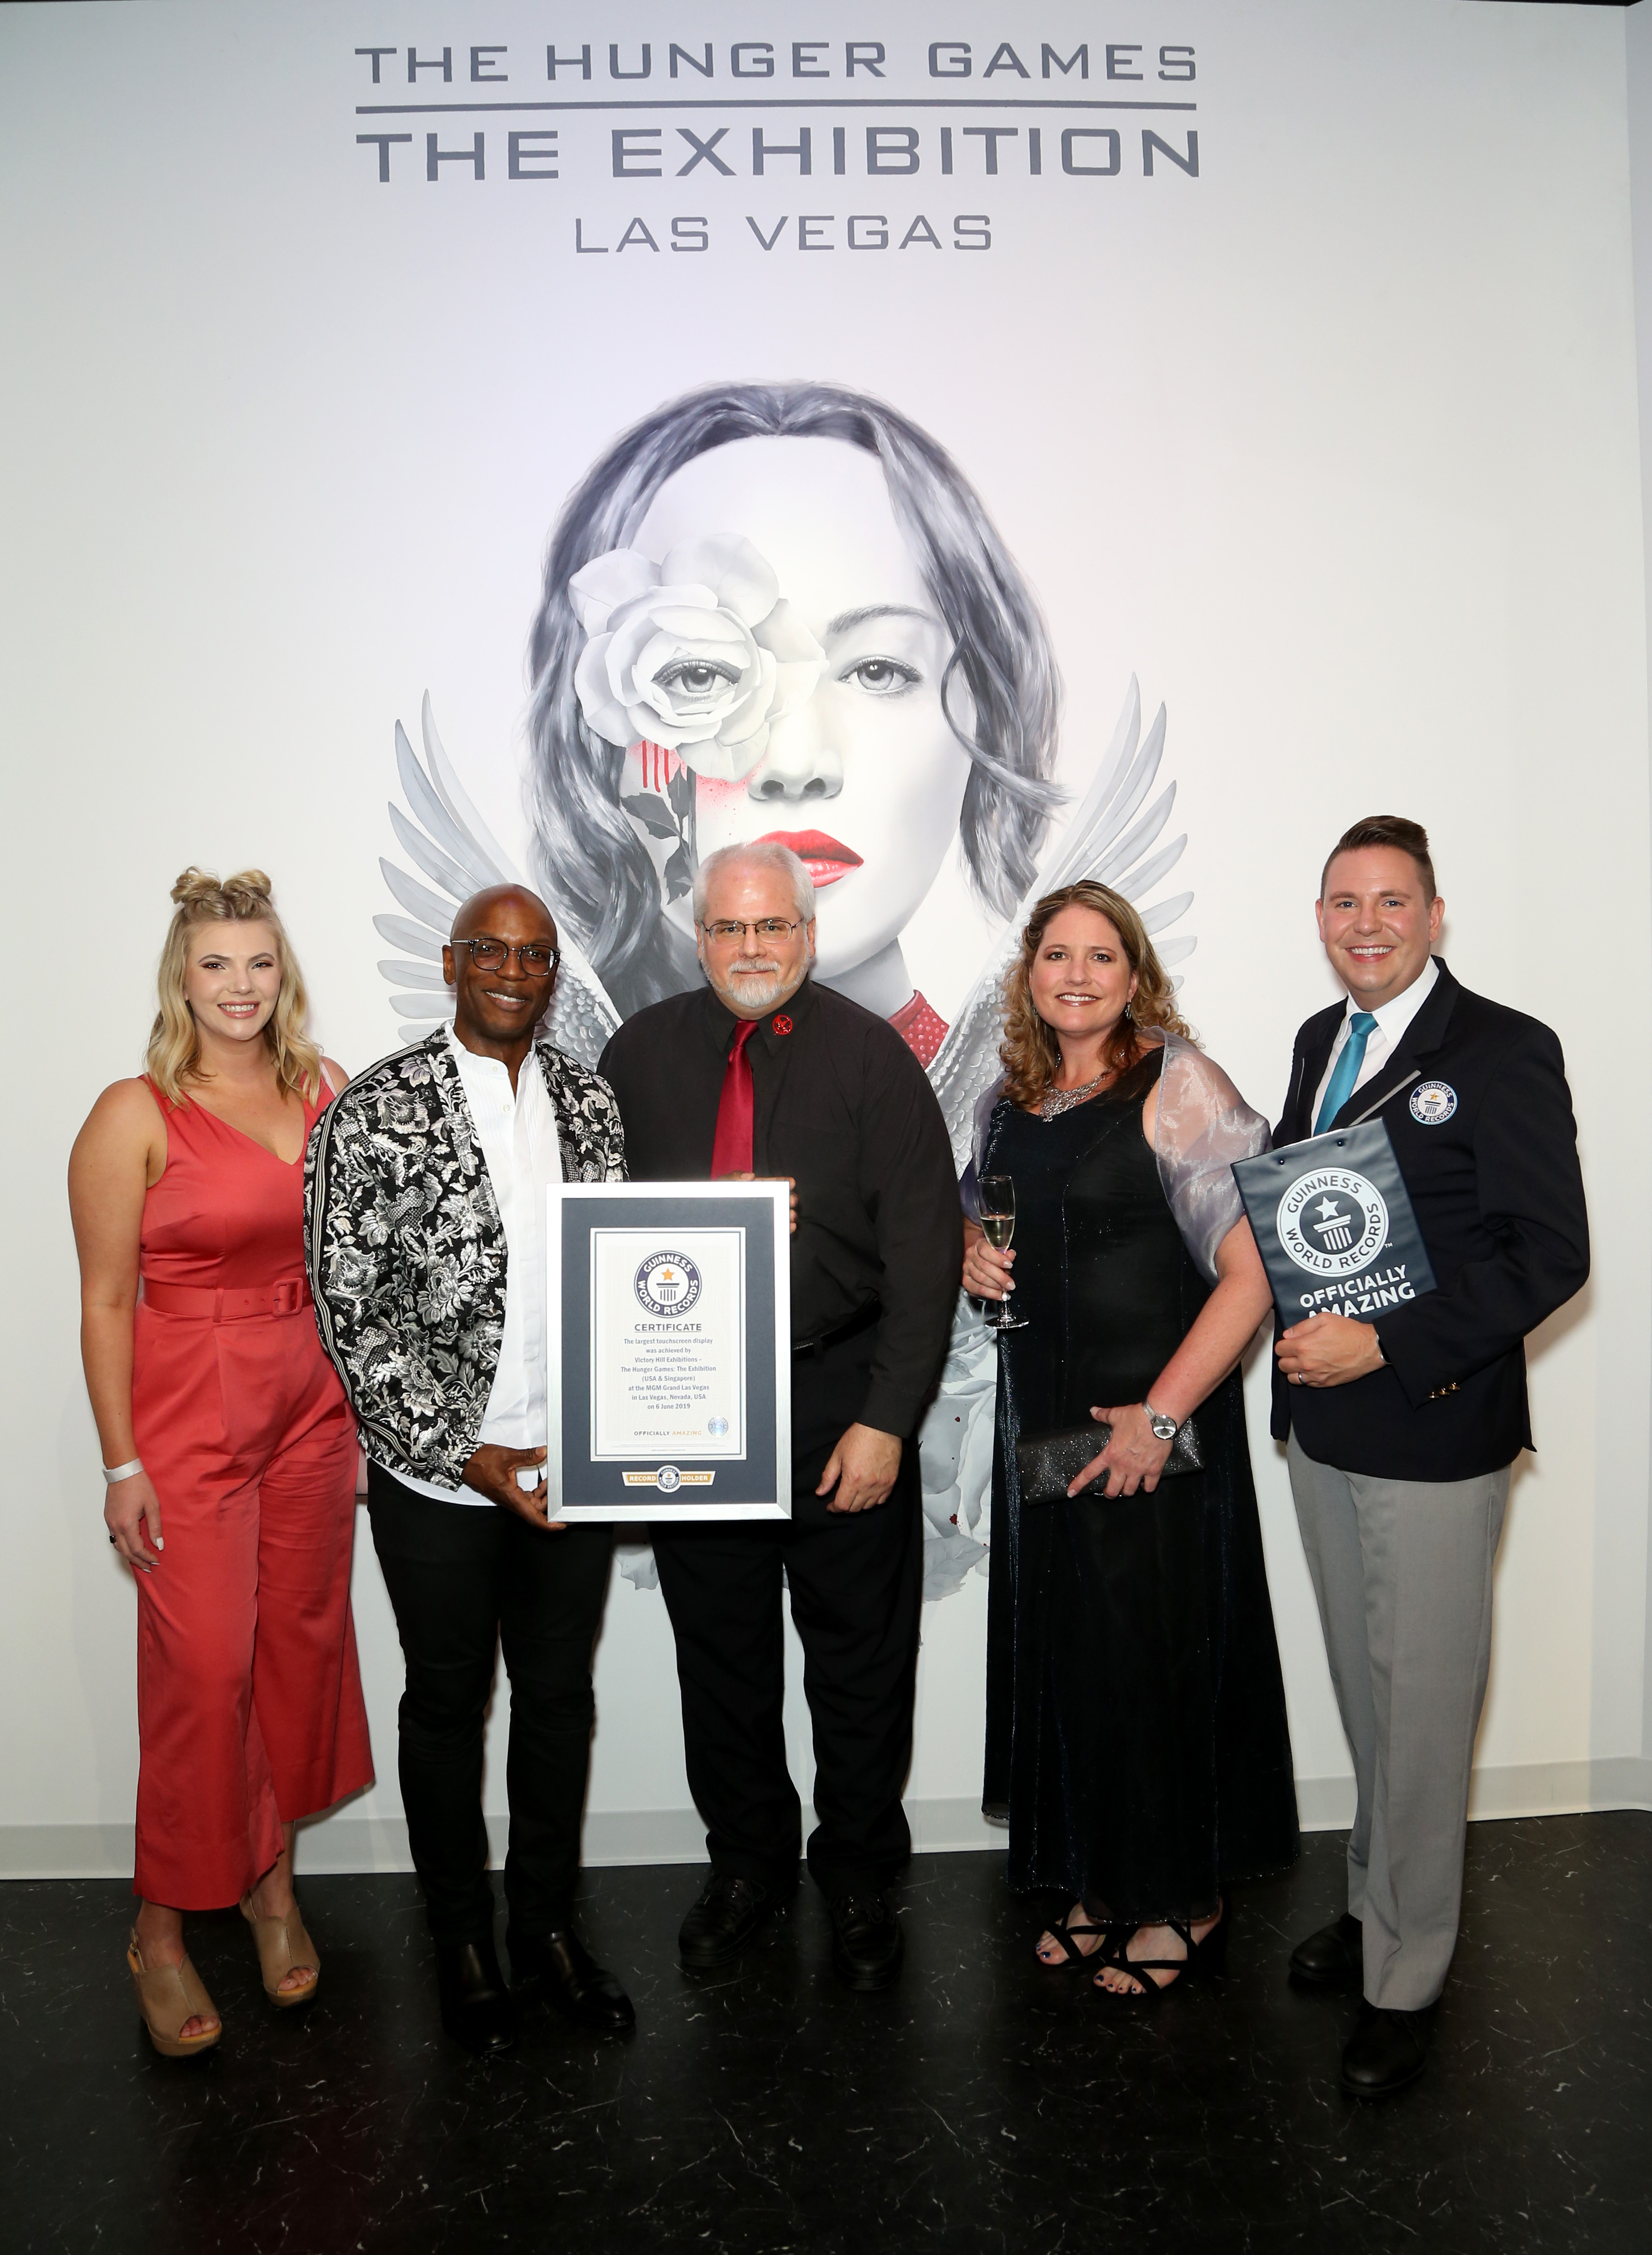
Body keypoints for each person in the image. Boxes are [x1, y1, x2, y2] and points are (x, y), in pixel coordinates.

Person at [598, 841, 961, 1990]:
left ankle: (858, 1874)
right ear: (697, 936)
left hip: (837, 1401)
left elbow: (925, 1255)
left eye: (773, 928)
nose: (751, 949)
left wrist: (889, 1420)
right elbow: (593, 1240)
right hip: (689, 1404)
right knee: (723, 1658)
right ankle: (747, 1863)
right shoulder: (637, 1055)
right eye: (728, 930)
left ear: (807, 934)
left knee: (860, 1662)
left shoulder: (872, 1062)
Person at [1272, 816, 1588, 2097]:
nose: (1366, 922)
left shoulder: (1505, 1048)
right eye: (1344, 901)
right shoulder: (1317, 1039)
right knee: (1368, 1688)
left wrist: (1388, 1349)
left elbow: (1548, 1255)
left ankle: (1407, 1975)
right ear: (1322, 914)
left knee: (1424, 1702)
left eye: (1390, 901)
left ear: (1436, 913)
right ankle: (1371, 1900)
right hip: (1323, 1430)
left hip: (1434, 1428)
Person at [306, 884, 634, 2054]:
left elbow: (636, 1272)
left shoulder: (593, 1103)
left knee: (558, 1701)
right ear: (451, 963)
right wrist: (464, 1447)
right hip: (439, 1477)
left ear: (554, 974)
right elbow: (350, 1307)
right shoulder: (376, 1107)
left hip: (574, 1467)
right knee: (447, 1703)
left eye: (534, 953)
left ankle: (545, 1927)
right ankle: (459, 1936)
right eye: (490, 949)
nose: (512, 967)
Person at [961, 881, 1299, 1997]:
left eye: (1101, 955)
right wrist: (970, 1247)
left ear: (1135, 971)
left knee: (1154, 1659)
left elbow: (1253, 1273)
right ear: (1030, 973)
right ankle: (1104, 1877)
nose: (1077, 974)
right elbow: (986, 1217)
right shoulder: (1011, 1097)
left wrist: (1163, 1415)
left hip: (1153, 1425)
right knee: (1079, 1658)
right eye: (1056, 954)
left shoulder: (1180, 1082)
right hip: (1045, 1427)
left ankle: (1185, 1895)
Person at [67, 868, 372, 2059]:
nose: (240, 986)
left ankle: (271, 1887)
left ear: (280, 973)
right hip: (189, 1407)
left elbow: (361, 1259)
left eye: (258, 963)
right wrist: (119, 1464)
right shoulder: (132, 1112)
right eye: (215, 965)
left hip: (312, 1406)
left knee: (295, 1648)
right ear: (180, 977)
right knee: (201, 1670)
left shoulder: (328, 1088)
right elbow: (102, 1304)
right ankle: (158, 1925)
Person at [522, 380, 1061, 1048]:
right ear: (592, 730)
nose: (798, 765)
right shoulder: (558, 1104)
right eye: (700, 673)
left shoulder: (1015, 1119)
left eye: (878, 670)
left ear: (984, 715)